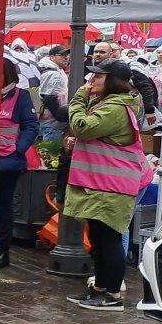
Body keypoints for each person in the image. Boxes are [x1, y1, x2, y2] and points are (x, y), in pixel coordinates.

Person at [62, 59, 147, 310]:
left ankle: (113, 295)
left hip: (113, 185)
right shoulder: (107, 103)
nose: (92, 80)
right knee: (99, 237)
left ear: (113, 81)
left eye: (99, 76)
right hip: (102, 183)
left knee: (109, 238)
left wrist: (78, 99)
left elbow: (82, 127)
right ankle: (99, 288)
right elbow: (100, 138)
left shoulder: (115, 107)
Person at [0, 59, 39, 269]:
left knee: (3, 206)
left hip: (7, 162)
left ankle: (1, 251)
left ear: (8, 74)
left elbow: (31, 126)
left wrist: (17, 149)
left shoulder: (21, 97)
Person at [91, 41, 158, 124]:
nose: (98, 54)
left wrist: (149, 110)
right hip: (106, 109)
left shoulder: (130, 68)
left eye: (102, 52)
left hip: (128, 111)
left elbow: (145, 87)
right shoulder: (96, 68)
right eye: (96, 52)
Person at [37, 45, 72, 142]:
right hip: (52, 122)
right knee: (50, 149)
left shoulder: (55, 69)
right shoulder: (53, 73)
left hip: (48, 121)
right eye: (62, 55)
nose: (66, 57)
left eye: (67, 55)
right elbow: (49, 97)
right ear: (52, 57)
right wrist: (59, 116)